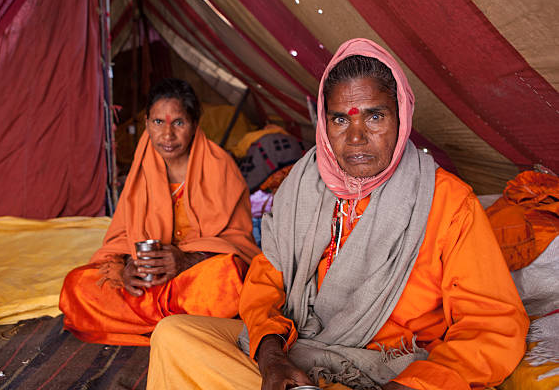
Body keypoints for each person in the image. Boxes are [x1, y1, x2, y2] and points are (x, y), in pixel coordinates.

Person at [146, 39, 529, 389]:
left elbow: (491, 327)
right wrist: (271, 356)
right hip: (295, 354)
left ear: (402, 117)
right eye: (341, 119)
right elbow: (265, 283)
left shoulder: (447, 202)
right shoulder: (302, 182)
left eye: (375, 117)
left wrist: (414, 386)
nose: (356, 137)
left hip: (384, 370)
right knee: (173, 334)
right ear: (324, 124)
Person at [59, 78, 259, 346]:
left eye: (178, 123)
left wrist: (186, 261)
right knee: (77, 285)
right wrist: (126, 268)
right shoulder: (141, 169)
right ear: (146, 124)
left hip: (193, 279)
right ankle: (176, 326)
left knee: (228, 277)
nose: (167, 135)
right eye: (157, 122)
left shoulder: (220, 167)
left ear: (194, 124)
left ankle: (143, 324)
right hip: (147, 286)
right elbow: (121, 237)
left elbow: (239, 244)